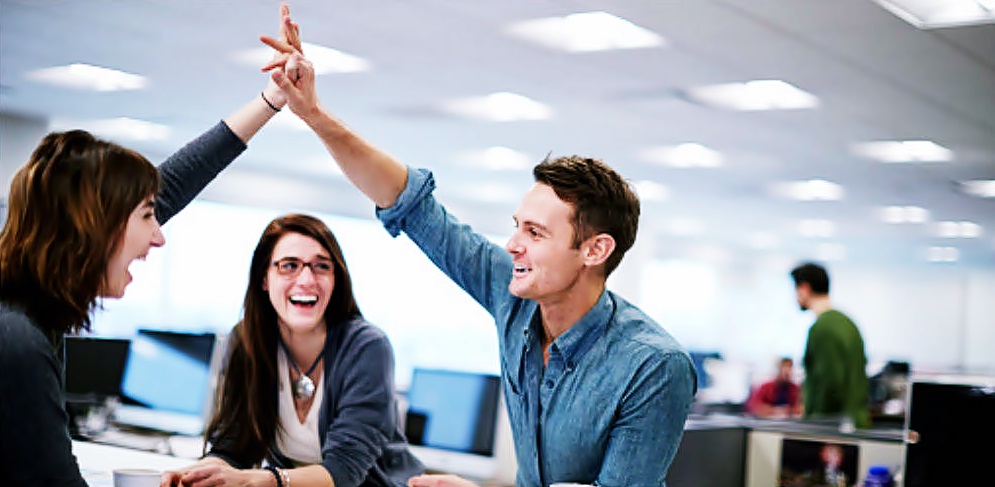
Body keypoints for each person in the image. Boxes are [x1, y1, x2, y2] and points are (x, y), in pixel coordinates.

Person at [262, 31, 697, 487]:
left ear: (595, 250)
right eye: (516, 225)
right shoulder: (514, 293)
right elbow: (411, 205)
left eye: (534, 232)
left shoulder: (654, 367)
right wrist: (313, 115)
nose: (512, 244)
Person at [0, 7, 296, 486]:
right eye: (144, 216)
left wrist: (271, 99)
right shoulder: (18, 342)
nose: (158, 235)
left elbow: (174, 182)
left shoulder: (25, 316)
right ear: (93, 227)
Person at [161, 214, 423, 487]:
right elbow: (231, 449)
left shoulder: (367, 347)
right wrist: (195, 475)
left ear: (335, 279)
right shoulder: (245, 340)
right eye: (289, 266)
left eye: (321, 266)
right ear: (264, 278)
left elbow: (346, 469)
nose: (307, 279)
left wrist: (267, 480)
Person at [790, 262, 870, 429]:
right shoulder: (847, 323)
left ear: (804, 288)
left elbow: (831, 384)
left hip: (833, 429)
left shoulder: (822, 328)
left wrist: (814, 424)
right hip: (855, 423)